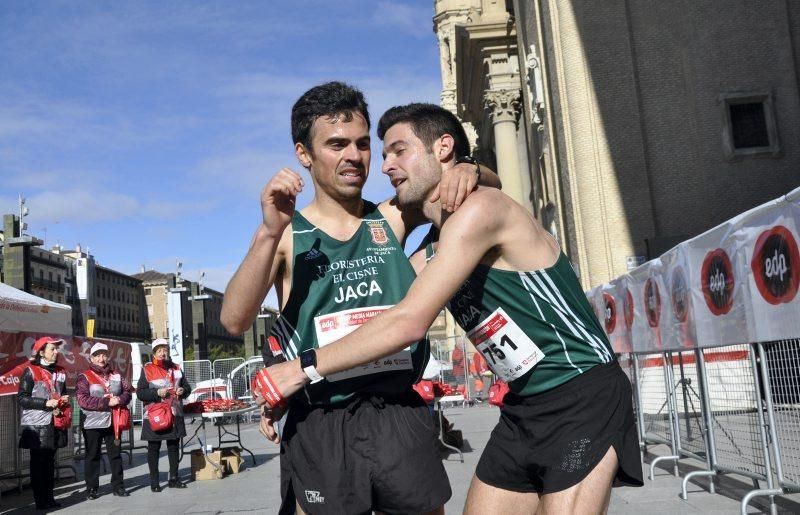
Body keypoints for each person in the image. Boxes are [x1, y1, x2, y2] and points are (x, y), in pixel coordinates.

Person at [257, 103, 644, 514]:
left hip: (582, 395)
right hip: (523, 408)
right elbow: (380, 315)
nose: (385, 166)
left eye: (398, 151)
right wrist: (290, 383)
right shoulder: (432, 252)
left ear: (443, 148)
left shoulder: (483, 210)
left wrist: (301, 369)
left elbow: (407, 323)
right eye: (384, 154)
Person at [221, 81, 500, 515]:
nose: (354, 156)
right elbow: (235, 320)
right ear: (303, 153)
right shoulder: (286, 235)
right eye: (336, 144)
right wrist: (269, 231)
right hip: (322, 420)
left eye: (362, 144)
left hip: (398, 410)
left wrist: (471, 170)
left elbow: (487, 190)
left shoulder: (391, 216)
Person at [17, 336, 70, 510]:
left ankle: (49, 497)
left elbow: (59, 392)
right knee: (38, 464)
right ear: (41, 352)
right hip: (36, 424)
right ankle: (40, 500)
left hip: (54, 422)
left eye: (56, 349)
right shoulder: (30, 371)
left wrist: (63, 398)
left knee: (49, 463)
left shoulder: (60, 371)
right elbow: (22, 399)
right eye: (52, 349)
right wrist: (44, 403)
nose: (56, 352)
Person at [76, 342, 132, 499]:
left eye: (104, 355)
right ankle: (92, 489)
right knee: (93, 455)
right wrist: (107, 402)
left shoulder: (116, 375)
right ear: (92, 358)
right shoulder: (84, 376)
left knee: (115, 454)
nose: (101, 358)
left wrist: (120, 400)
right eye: (98, 355)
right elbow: (82, 400)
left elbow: (127, 392)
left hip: (114, 421)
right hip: (92, 423)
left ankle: (118, 486)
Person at [137, 338, 191, 492]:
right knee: (154, 448)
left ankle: (174, 478)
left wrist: (183, 390)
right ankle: (154, 482)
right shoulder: (147, 369)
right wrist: (156, 393)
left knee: (173, 446)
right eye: (159, 350)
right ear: (154, 353)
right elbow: (140, 393)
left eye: (164, 349)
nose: (162, 353)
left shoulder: (176, 367)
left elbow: (187, 387)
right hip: (155, 414)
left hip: (174, 412)